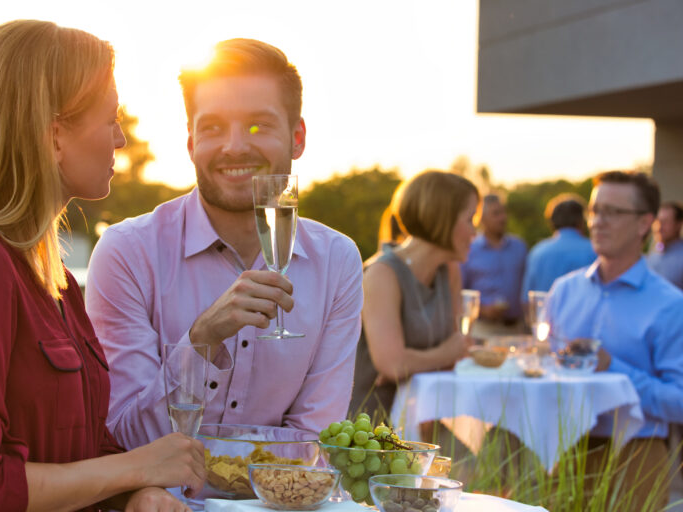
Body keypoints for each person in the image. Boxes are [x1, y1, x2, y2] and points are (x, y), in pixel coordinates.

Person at [0, 20, 204, 511]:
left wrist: (136, 494)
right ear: (55, 134)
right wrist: (140, 467)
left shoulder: (53, 279)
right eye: (111, 119)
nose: (121, 139)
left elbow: (84, 452)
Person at [85, 39, 364, 450]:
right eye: (213, 127)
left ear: (297, 137)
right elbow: (122, 439)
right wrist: (201, 342)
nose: (234, 146)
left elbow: (313, 444)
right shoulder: (127, 252)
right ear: (191, 142)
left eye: (258, 125)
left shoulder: (337, 262)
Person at [545, 171, 683, 509]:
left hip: (636, 456)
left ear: (645, 223)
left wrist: (614, 370)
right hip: (560, 450)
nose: (598, 222)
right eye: (594, 210)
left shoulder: (672, 306)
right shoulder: (563, 292)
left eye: (612, 212)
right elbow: (543, 365)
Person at [349, 170, 477, 422]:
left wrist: (412, 362)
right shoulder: (381, 274)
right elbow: (393, 365)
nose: (475, 232)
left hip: (429, 415)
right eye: (470, 219)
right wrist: (442, 354)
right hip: (372, 426)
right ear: (443, 218)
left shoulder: (449, 270)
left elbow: (455, 354)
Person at [646, 200, 683, 495]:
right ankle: (657, 478)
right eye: (658, 221)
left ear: (679, 224)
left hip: (680, 344)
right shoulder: (650, 257)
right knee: (658, 415)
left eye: (666, 221)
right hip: (650, 347)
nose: (660, 227)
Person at [460, 194, 527, 335]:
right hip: (483, 330)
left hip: (516, 329)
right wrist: (482, 310)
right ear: (482, 219)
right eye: (496, 214)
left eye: (503, 212)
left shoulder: (519, 247)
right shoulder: (469, 249)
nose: (502, 218)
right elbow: (459, 293)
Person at [520, 193, 596, 305]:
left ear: (552, 222)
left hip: (545, 320)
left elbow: (527, 300)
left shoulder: (537, 252)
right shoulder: (594, 250)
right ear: (581, 221)